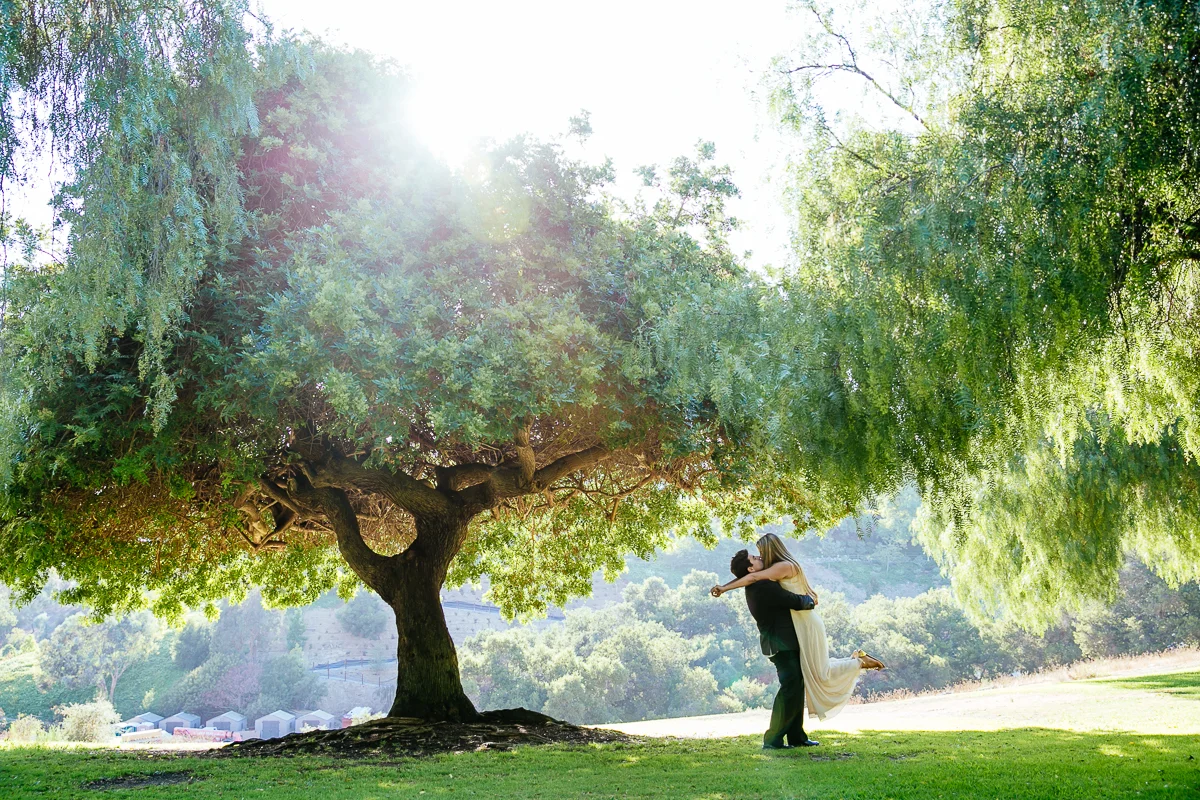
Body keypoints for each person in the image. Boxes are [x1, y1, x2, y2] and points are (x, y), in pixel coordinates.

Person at [713, 533, 885, 723]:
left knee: (818, 672)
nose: (760, 556)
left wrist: (723, 588)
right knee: (815, 671)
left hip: (805, 622)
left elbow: (752, 578)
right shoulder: (770, 574)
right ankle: (857, 661)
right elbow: (751, 577)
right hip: (799, 624)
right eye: (756, 556)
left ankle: (859, 663)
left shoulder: (781, 567)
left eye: (760, 552)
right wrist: (723, 588)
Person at [725, 548, 819, 749]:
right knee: (790, 689)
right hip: (781, 644)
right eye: (754, 558)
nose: (759, 557)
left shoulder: (756, 585)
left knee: (795, 688)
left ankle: (796, 737)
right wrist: (809, 600)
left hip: (782, 643)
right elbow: (791, 600)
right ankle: (773, 739)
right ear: (751, 568)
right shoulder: (763, 586)